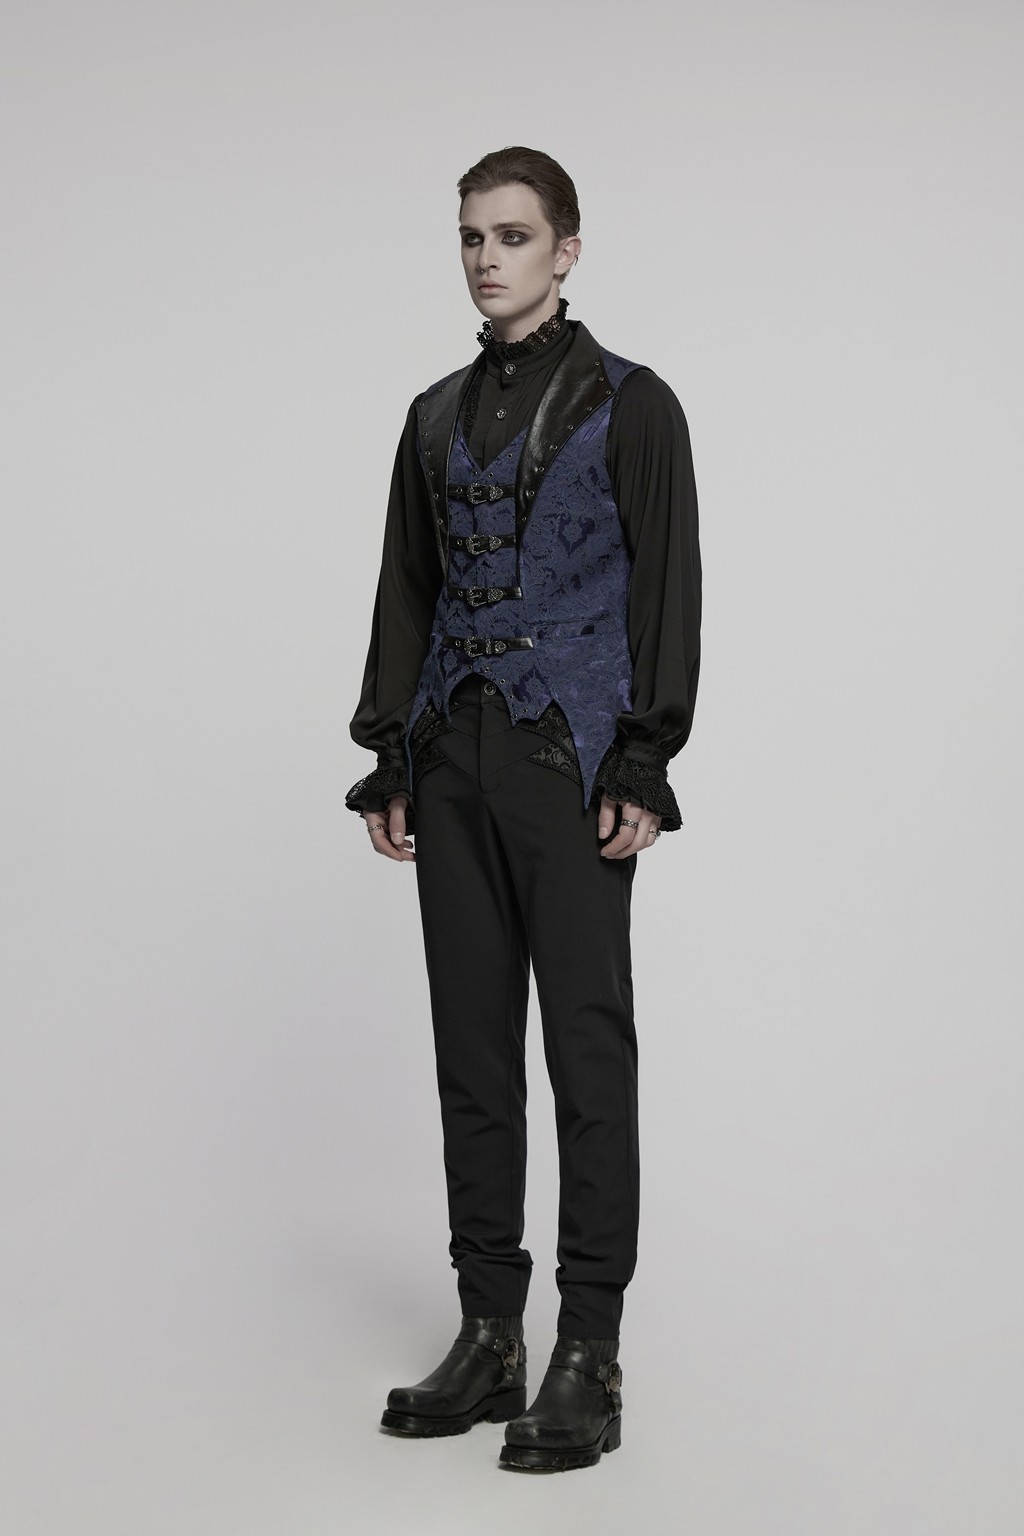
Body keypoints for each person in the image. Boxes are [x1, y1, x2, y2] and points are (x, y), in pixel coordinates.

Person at [346, 146, 702, 1473]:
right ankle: (491, 1331)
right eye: (471, 237)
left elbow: (667, 586)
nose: (487, 258)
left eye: (512, 235)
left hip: (571, 759)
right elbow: (407, 590)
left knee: (586, 1051)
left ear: (566, 249)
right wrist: (393, 752)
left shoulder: (633, 403)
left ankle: (588, 1348)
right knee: (472, 1050)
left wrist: (644, 758)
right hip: (454, 751)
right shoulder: (431, 415)